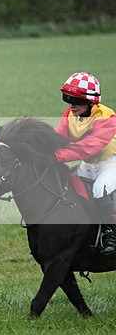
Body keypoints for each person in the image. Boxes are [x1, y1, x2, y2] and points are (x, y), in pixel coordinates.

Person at [54, 72, 116, 254]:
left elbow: (89, 147)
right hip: (88, 165)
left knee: (100, 189)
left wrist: (57, 156)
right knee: (70, 188)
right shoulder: (70, 114)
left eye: (76, 101)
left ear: (91, 102)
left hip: (110, 163)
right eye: (68, 99)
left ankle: (110, 233)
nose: (71, 105)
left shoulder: (107, 117)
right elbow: (58, 137)